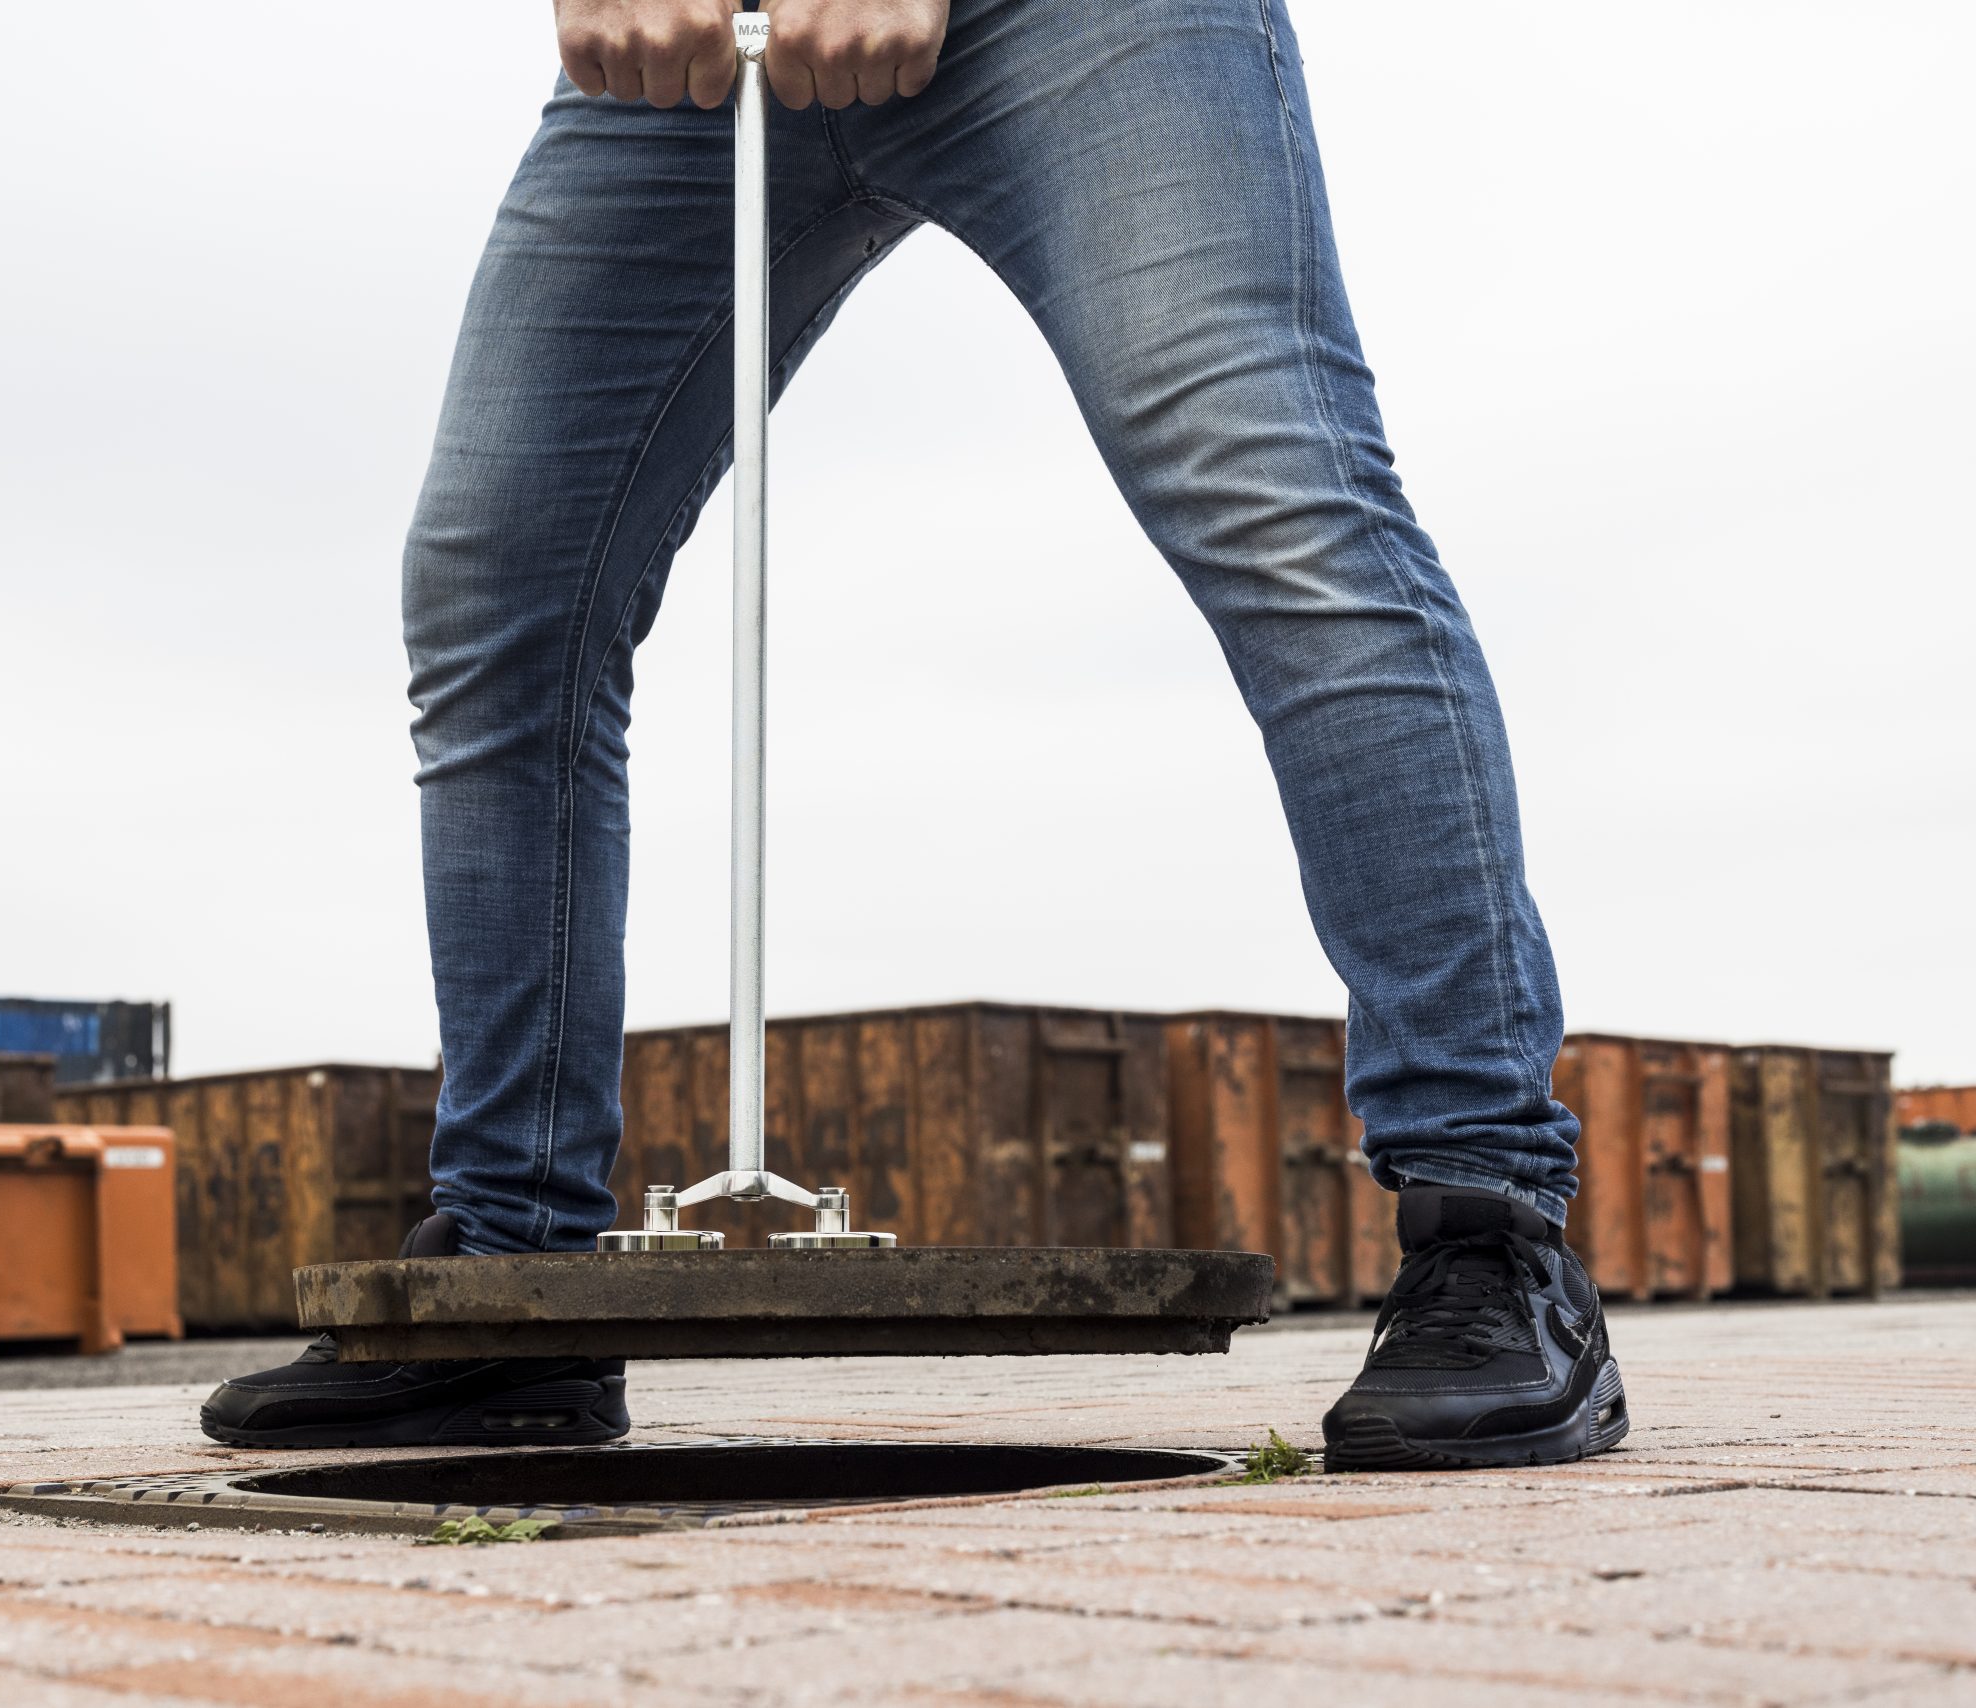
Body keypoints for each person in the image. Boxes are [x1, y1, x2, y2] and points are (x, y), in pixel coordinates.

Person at [204, 0, 1626, 1471]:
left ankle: (1492, 1224)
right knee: (496, 578)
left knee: (1269, 489)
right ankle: (507, 1282)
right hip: (725, 37)